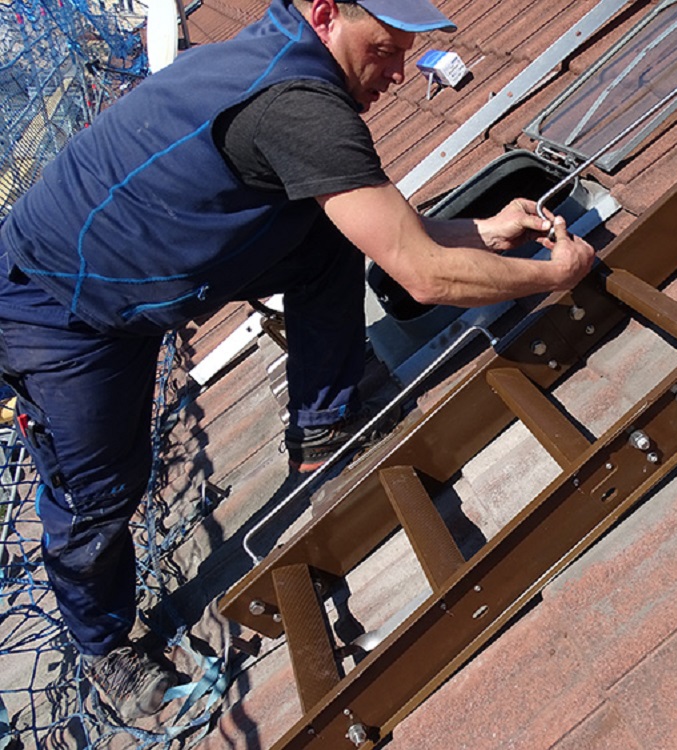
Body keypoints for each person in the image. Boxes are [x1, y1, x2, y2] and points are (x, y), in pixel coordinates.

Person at [0, 0, 594, 722]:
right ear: (324, 15)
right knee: (98, 494)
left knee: (327, 228)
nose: (399, 73)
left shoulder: (283, 56)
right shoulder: (298, 108)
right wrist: (553, 276)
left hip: (145, 268)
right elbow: (423, 275)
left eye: (406, 51)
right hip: (60, 309)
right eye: (385, 49)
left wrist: (488, 230)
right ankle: (102, 650)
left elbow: (394, 232)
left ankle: (322, 427)